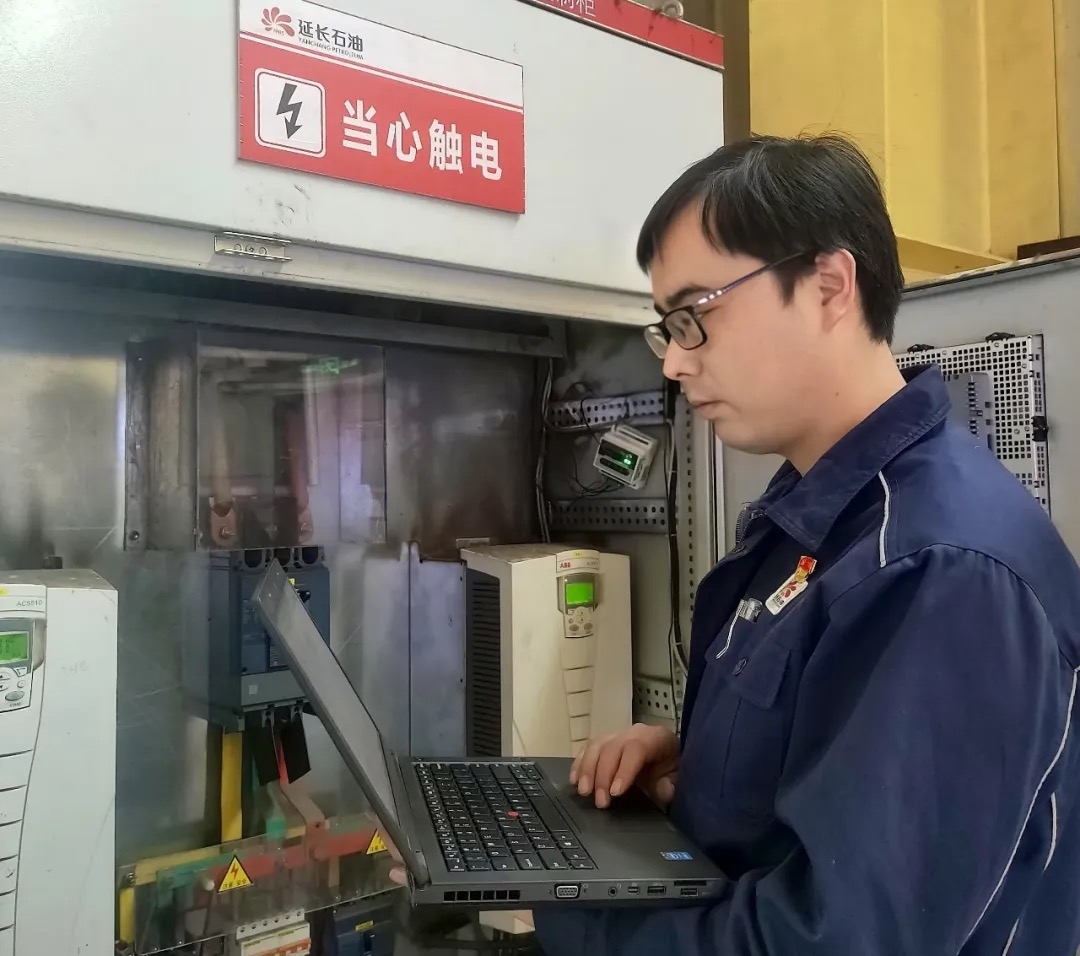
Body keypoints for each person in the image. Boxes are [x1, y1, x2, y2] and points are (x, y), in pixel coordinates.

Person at [525, 135, 1080, 955]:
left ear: (827, 286)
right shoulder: (820, 518)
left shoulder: (939, 569)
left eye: (694, 317)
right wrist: (698, 774)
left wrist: (564, 909)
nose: (675, 363)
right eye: (666, 329)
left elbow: (835, 939)